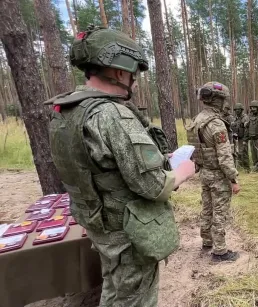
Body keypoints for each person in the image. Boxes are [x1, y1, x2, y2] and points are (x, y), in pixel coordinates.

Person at [46, 26, 196, 306]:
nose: (136, 82)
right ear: (119, 72)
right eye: (134, 75)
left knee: (115, 291)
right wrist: (182, 171)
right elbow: (154, 186)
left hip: (99, 223)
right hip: (127, 232)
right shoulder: (113, 115)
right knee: (135, 297)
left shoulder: (68, 110)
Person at [187, 81, 241, 262]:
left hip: (204, 173)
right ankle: (220, 251)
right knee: (220, 211)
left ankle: (207, 241)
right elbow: (225, 156)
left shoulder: (197, 120)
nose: (225, 103)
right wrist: (233, 179)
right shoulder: (216, 124)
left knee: (207, 208)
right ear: (217, 100)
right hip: (218, 175)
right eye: (223, 99)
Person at [232, 103, 250, 171]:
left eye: (238, 109)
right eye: (236, 110)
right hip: (237, 138)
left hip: (243, 138)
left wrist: (245, 139)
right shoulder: (236, 118)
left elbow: (247, 130)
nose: (237, 111)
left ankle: (247, 168)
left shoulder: (245, 118)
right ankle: (241, 167)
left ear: (241, 110)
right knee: (238, 153)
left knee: (244, 153)